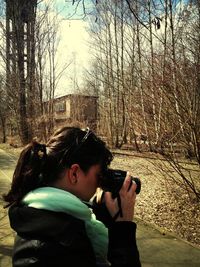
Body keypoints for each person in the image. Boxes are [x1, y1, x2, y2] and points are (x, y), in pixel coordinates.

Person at [3, 126, 141, 267]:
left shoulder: (47, 221)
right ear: (74, 173)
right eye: (98, 176)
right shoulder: (46, 253)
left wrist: (103, 215)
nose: (99, 185)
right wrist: (124, 230)